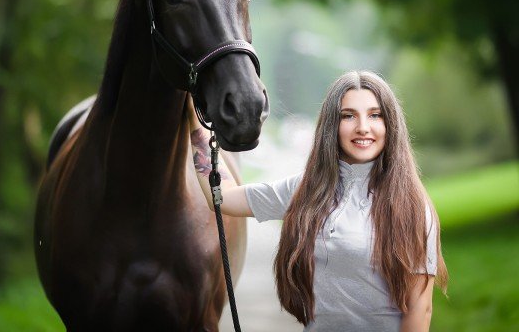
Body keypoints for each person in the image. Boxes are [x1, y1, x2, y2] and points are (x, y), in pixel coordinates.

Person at [188, 70, 448, 332]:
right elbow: (221, 196)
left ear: (389, 123)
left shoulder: (411, 205)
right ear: (332, 125)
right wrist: (194, 121)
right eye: (348, 115)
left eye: (375, 115)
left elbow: (420, 309)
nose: (362, 127)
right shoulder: (307, 190)